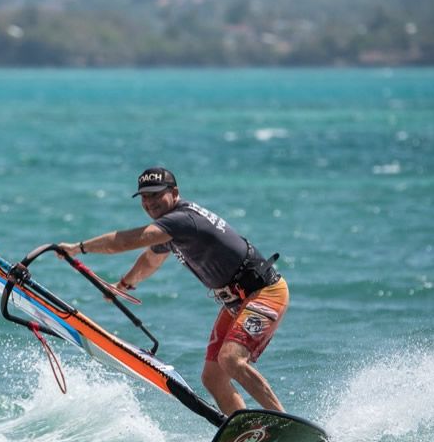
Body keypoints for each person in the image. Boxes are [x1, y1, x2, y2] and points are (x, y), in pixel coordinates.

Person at [57, 167, 289, 416]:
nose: (150, 203)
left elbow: (127, 241)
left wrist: (77, 248)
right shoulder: (170, 227)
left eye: (156, 195)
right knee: (212, 377)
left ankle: (285, 424)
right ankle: (249, 431)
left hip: (265, 293)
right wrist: (123, 286)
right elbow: (151, 259)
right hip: (236, 303)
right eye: (145, 197)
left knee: (231, 360)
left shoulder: (182, 220)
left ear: (174, 192)